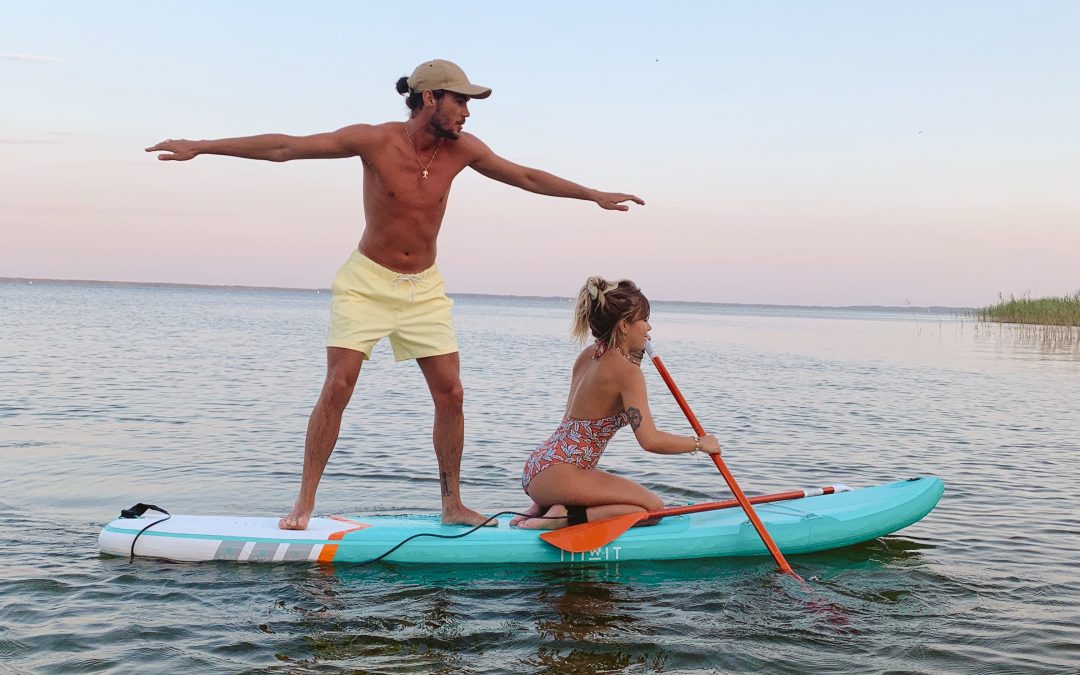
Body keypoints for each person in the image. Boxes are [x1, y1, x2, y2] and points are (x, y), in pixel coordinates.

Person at [145, 60, 644, 529]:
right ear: (429, 99)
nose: (467, 113)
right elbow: (286, 147)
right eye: (460, 101)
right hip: (366, 283)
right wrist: (203, 146)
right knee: (339, 386)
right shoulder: (375, 140)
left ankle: (452, 504)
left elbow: (526, 177)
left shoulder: (464, 150)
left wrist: (592, 194)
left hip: (423, 288)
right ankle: (304, 503)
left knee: (451, 393)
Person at [511, 276, 721, 529]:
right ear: (624, 325)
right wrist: (699, 444)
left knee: (636, 505)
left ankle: (549, 506)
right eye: (644, 320)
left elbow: (583, 417)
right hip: (561, 475)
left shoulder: (588, 356)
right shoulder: (627, 373)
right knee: (653, 509)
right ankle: (561, 517)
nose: (649, 328)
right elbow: (650, 440)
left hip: (538, 467)